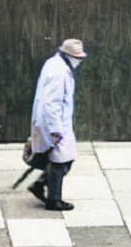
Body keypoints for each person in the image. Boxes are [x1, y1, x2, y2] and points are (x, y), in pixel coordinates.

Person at [28, 38, 87, 211]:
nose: (80, 60)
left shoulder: (54, 64)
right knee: (61, 161)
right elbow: (52, 103)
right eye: (77, 57)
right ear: (68, 55)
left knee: (62, 159)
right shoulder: (59, 73)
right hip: (55, 123)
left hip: (55, 121)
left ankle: (42, 185)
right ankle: (53, 199)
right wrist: (55, 130)